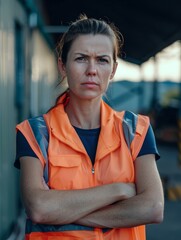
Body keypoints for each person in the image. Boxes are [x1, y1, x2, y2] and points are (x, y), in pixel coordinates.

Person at [14, 14, 164, 240]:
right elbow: (39, 208)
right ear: (62, 66)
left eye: (102, 60)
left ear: (112, 70)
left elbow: (152, 207)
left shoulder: (137, 130)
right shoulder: (35, 133)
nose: (92, 70)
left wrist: (63, 211)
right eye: (81, 58)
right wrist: (119, 190)